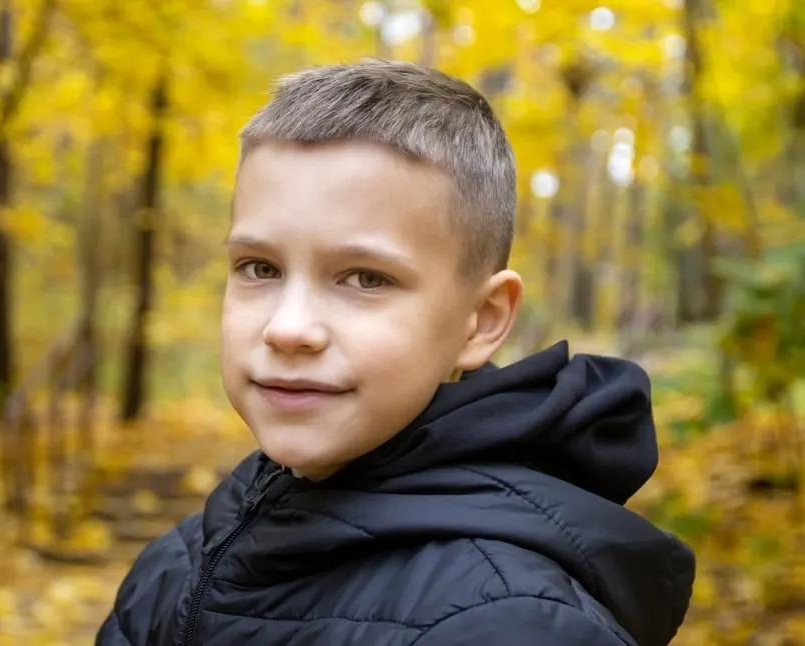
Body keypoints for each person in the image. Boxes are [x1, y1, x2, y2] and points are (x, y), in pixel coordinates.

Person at [95, 59, 695, 646]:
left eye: (365, 279)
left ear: (480, 321)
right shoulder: (180, 561)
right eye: (260, 268)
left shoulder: (507, 622)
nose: (289, 327)